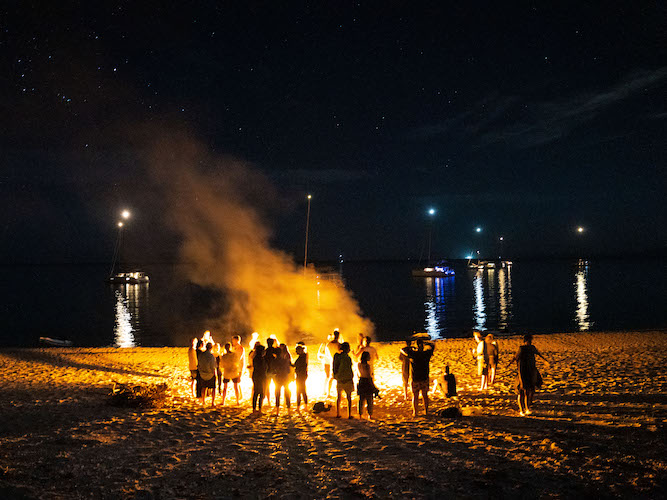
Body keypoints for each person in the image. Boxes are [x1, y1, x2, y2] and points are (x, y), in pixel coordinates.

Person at [507, 334, 550, 416]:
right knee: (522, 391)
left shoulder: (532, 348)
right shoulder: (522, 348)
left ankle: (527, 408)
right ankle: (521, 410)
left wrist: (545, 361)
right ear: (526, 341)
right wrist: (509, 364)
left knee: (529, 390)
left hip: (531, 371)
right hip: (523, 371)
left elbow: (539, 354)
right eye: (529, 341)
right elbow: (515, 357)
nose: (529, 342)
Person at [407, 338, 435, 416]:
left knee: (415, 396)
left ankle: (415, 412)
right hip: (424, 377)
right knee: (425, 395)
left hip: (415, 378)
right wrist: (426, 343)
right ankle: (426, 411)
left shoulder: (413, 354)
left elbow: (403, 350)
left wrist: (412, 347)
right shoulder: (426, 354)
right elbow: (433, 346)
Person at [333, 342, 355, 418]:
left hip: (340, 378)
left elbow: (335, 367)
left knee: (339, 397)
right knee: (348, 397)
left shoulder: (337, 356)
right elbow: (349, 368)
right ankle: (349, 414)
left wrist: (335, 376)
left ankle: (338, 413)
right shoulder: (347, 358)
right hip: (347, 379)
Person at [274, 343, 293, 414]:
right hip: (285, 377)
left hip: (278, 377)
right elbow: (288, 370)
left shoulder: (275, 360)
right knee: (287, 392)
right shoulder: (285, 360)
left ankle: (277, 410)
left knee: (277, 393)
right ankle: (288, 409)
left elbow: (274, 370)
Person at [357, 351, 375, 420]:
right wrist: (373, 385)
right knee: (369, 400)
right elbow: (368, 375)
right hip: (367, 381)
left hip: (361, 381)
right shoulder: (367, 366)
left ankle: (360, 414)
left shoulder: (359, 365)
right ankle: (369, 414)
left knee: (361, 399)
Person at [197, 342, 217, 407]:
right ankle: (213, 402)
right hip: (210, 374)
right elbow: (213, 366)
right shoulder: (211, 356)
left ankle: (203, 401)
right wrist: (214, 373)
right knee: (213, 388)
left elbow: (199, 364)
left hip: (202, 374)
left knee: (204, 387)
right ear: (211, 348)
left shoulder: (201, 355)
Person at [250, 344, 267, 414]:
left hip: (256, 376)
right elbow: (263, 368)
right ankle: (259, 409)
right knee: (261, 393)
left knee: (256, 392)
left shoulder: (255, 358)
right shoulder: (260, 359)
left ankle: (254, 409)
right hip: (260, 376)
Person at [325, 330, 341, 397]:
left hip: (332, 361)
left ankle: (328, 392)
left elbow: (327, 354)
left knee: (331, 377)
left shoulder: (328, 345)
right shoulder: (339, 345)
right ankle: (338, 393)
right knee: (338, 378)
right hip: (338, 361)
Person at [264, 337, 280, 406]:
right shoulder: (275, 350)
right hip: (274, 371)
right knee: (276, 386)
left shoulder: (266, 351)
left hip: (268, 370)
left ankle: (268, 400)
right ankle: (276, 400)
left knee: (267, 386)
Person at [293, 343, 308, 410]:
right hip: (303, 375)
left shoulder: (302, 357)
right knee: (302, 390)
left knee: (299, 391)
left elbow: (296, 365)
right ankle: (304, 405)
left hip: (300, 375)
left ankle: (299, 406)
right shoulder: (304, 356)